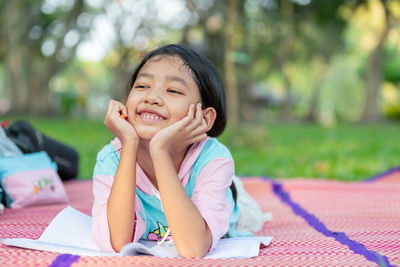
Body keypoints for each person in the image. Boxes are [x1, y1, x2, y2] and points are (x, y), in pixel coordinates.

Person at [91, 44, 250, 258]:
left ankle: (234, 189)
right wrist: (128, 144)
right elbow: (118, 242)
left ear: (205, 118)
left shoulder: (213, 159)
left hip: (216, 200)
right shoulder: (111, 159)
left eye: (173, 90)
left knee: (244, 210)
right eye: (142, 86)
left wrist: (160, 152)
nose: (151, 97)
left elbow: (193, 249)